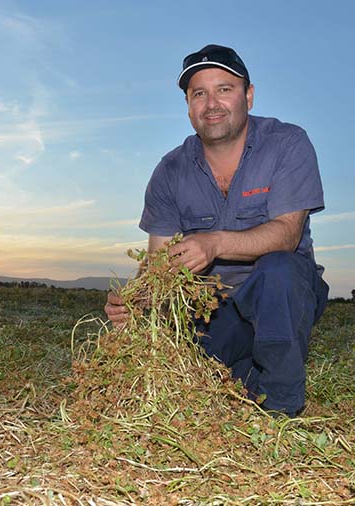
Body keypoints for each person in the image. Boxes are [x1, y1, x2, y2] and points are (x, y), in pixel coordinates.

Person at [104, 44, 329, 417]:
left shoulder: (288, 144)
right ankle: (245, 383)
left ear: (249, 96)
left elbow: (288, 235)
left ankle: (281, 409)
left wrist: (215, 243)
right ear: (189, 106)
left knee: (279, 270)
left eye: (224, 89)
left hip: (281, 294)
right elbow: (160, 261)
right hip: (212, 306)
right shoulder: (170, 171)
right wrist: (135, 300)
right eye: (199, 94)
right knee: (192, 376)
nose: (212, 104)